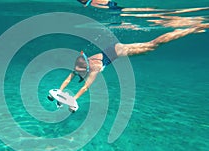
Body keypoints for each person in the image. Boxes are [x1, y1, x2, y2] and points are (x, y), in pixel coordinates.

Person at [59, 24, 209, 106]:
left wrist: (74, 100)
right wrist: (60, 91)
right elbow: (69, 78)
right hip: (115, 48)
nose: (77, 73)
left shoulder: (95, 68)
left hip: (119, 52)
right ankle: (182, 31)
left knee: (152, 45)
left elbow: (85, 87)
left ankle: (184, 30)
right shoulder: (81, 63)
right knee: (148, 49)